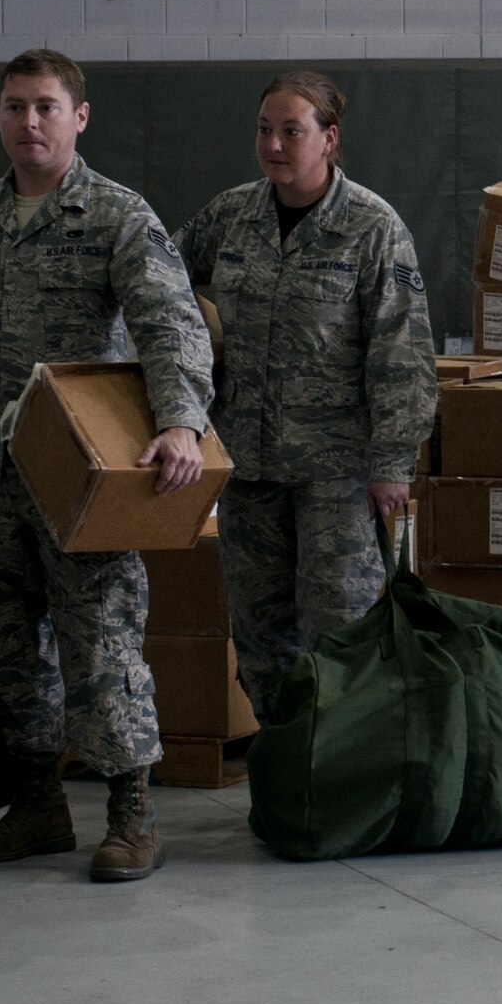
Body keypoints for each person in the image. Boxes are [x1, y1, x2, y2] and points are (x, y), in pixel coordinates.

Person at [0, 49, 214, 882]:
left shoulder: (117, 216)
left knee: (102, 641)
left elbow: (170, 324)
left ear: (80, 117)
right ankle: (37, 807)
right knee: (8, 650)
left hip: (80, 476)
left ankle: (130, 815)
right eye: (13, 107)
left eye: (45, 106)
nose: (28, 122)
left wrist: (181, 422)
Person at [177, 71, 437, 714]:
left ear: (329, 138)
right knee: (260, 633)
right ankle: (286, 766)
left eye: (292, 130)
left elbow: (401, 350)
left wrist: (393, 461)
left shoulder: (372, 228)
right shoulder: (231, 216)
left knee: (339, 627)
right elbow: (162, 283)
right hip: (248, 464)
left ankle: (344, 773)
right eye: (265, 130)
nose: (273, 144)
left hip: (338, 472)